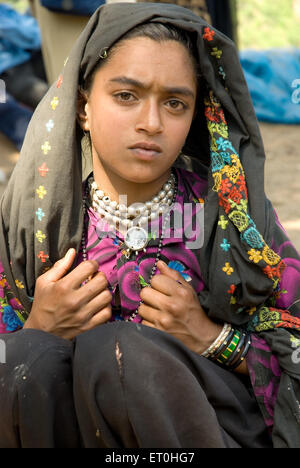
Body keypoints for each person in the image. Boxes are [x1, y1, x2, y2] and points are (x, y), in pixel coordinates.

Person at [0, 2, 299, 449]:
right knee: (28, 356)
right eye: (126, 96)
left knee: (121, 352)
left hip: (207, 429)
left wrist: (212, 338)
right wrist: (38, 327)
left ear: (195, 114)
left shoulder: (233, 220)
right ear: (82, 106)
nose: (151, 123)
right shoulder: (35, 223)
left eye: (175, 103)